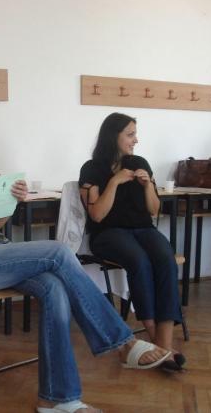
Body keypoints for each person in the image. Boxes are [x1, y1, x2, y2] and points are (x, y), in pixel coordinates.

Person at [0, 90, 172, 413]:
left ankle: (56, 399)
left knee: (54, 287)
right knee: (59, 253)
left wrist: (10, 201)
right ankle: (123, 342)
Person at [78, 112, 185, 372]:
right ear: (113, 136)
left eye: (135, 134)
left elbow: (154, 209)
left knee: (166, 260)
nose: (135, 140)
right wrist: (114, 182)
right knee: (139, 261)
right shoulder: (92, 169)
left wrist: (148, 186)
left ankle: (163, 345)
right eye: (130, 134)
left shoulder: (139, 162)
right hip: (108, 234)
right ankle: (158, 343)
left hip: (142, 229)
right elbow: (97, 215)